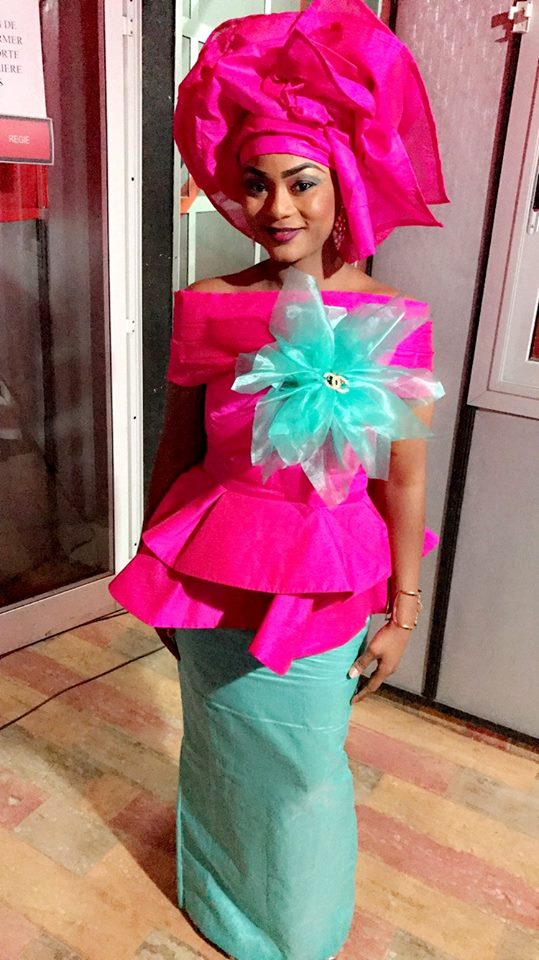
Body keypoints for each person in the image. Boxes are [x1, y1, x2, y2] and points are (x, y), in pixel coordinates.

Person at [109, 2, 449, 958]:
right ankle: (217, 900)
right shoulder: (207, 305)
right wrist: (154, 564)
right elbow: (177, 448)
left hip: (326, 579)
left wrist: (403, 612)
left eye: (302, 182)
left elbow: (403, 476)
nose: (277, 210)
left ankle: (293, 930)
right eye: (255, 185)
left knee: (303, 767)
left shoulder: (393, 317)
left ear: (344, 181)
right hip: (210, 569)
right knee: (218, 744)